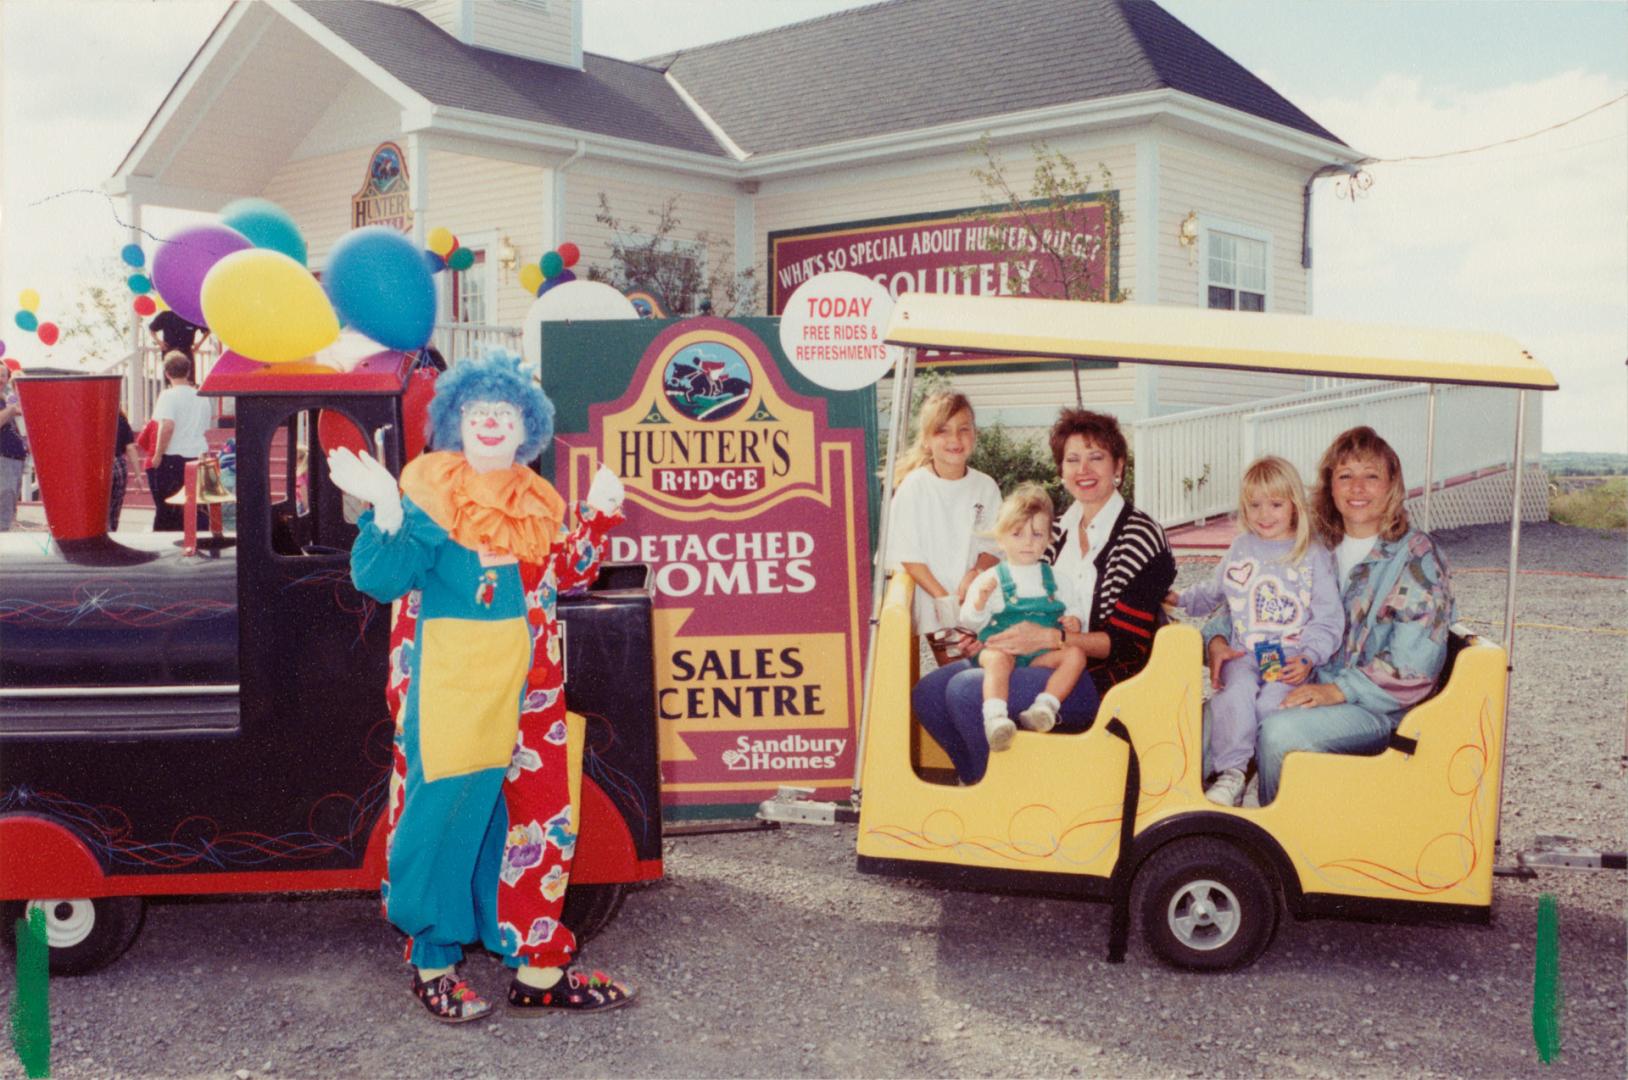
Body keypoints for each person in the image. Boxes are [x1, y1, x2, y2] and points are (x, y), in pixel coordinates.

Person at [329, 352, 635, 1024]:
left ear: (526, 426)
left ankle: (538, 964)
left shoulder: (535, 499)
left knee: (540, 824)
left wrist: (598, 517)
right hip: (451, 692)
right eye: (478, 412)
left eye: (505, 413)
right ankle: (432, 963)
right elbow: (382, 580)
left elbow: (567, 574)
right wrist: (385, 509)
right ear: (454, 423)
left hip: (532, 696)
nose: (491, 424)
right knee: (437, 822)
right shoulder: (430, 494)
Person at [914, 408, 1176, 784]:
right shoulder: (1057, 531)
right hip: (1034, 659)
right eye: (1073, 459)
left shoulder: (1140, 536)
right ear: (1061, 470)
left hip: (1099, 678)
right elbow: (1014, 588)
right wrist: (984, 636)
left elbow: (1126, 645)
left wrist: (1051, 637)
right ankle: (984, 785)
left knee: (966, 693)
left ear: (1119, 465)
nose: (1083, 469)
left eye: (1096, 457)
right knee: (929, 693)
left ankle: (996, 798)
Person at [1205, 426, 1455, 805]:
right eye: (1345, 476)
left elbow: (1413, 666)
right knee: (1206, 720)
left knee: (1279, 730)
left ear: (1392, 485)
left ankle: (1273, 835)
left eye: (1371, 476)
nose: (1357, 488)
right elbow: (1249, 598)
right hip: (1298, 675)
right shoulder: (1314, 541)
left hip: (1375, 707)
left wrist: (1335, 690)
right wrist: (1218, 638)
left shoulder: (1416, 557)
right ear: (1330, 486)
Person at [1170, 456, 1342, 806]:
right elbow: (1214, 591)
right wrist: (1179, 599)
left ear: (1295, 505)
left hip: (1291, 657)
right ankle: (1232, 771)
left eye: (1276, 504)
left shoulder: (1312, 554)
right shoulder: (1241, 548)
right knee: (1234, 696)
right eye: (1254, 505)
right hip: (1243, 652)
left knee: (1271, 705)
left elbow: (1328, 618)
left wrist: (1310, 656)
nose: (1265, 514)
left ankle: (1261, 772)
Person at [959, 483, 1089, 751]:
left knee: (1076, 654)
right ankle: (995, 718)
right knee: (996, 658)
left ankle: (1045, 706)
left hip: (1040, 655)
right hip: (1000, 649)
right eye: (1017, 534)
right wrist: (980, 603)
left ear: (1048, 539)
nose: (1028, 542)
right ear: (1001, 539)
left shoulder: (1057, 579)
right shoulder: (992, 578)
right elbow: (970, 623)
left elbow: (1075, 607)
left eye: (1037, 534)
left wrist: (1074, 620)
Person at [886, 390, 1001, 664]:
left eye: (964, 429)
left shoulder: (985, 486)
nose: (955, 439)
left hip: (977, 595)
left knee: (989, 666)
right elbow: (909, 556)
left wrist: (976, 572)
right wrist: (944, 600)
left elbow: (995, 544)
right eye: (943, 431)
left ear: (975, 434)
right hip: (934, 597)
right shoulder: (914, 487)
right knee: (956, 667)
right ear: (927, 441)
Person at [148, 352, 213, 531]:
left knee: (169, 507)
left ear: (167, 373)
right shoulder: (202, 395)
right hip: (198, 455)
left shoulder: (168, 396)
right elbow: (205, 425)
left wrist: (158, 454)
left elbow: (167, 425)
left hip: (174, 457)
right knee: (198, 506)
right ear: (188, 371)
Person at [0, 364, 26, 531]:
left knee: (8, 513)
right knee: (3, 516)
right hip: (4, 460)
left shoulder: (6, 399)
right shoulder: (9, 405)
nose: (0, 379)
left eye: (3, 375)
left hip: (15, 460)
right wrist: (12, 410)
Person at [108, 409, 142, 531]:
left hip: (100, 464)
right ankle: (111, 532)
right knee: (114, 509)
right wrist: (138, 475)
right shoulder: (121, 420)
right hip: (118, 464)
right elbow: (131, 448)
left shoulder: (93, 418)